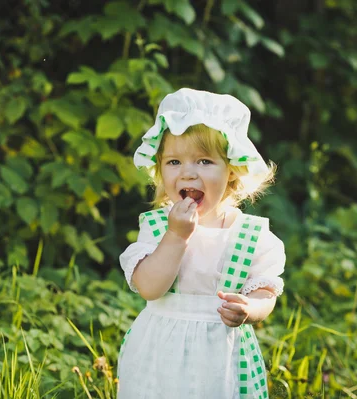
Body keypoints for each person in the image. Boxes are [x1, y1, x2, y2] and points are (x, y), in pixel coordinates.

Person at [117, 88, 286, 398]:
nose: (188, 173)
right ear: (159, 169)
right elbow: (149, 287)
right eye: (174, 162)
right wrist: (176, 236)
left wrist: (251, 308)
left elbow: (266, 291)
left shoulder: (250, 234)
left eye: (205, 161)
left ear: (232, 171)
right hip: (158, 359)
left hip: (221, 363)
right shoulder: (157, 228)